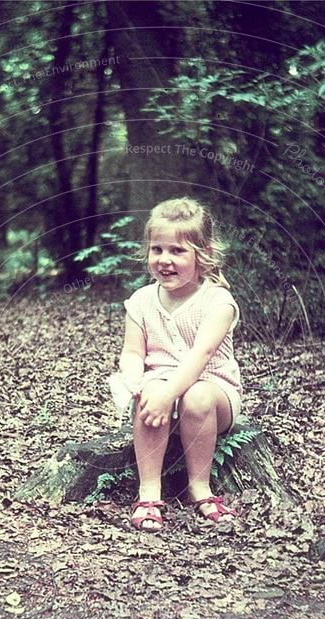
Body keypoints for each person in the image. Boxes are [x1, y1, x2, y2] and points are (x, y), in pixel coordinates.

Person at [114, 197, 242, 531]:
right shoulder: (141, 302)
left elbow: (200, 358)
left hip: (213, 394)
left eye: (177, 251)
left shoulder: (217, 301)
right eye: (157, 249)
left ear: (202, 255)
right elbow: (131, 353)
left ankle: (200, 488)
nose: (164, 260)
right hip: (161, 392)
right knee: (149, 390)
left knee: (195, 395)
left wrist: (169, 393)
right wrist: (134, 379)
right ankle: (149, 492)